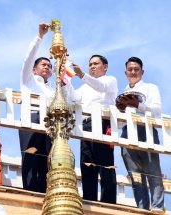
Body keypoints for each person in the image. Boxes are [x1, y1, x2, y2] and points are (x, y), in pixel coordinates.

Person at [116, 57, 164, 213]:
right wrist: (121, 109)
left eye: (136, 69)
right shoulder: (123, 92)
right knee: (135, 175)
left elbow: (156, 110)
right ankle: (142, 209)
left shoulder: (150, 88)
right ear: (125, 72)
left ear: (142, 72)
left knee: (153, 172)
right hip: (127, 133)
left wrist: (138, 105)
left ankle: (157, 208)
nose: (133, 72)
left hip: (146, 130)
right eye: (130, 69)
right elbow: (119, 122)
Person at [68, 55, 118, 203]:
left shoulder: (110, 80)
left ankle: (108, 205)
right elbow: (73, 96)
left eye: (96, 64)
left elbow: (100, 86)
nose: (92, 67)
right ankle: (89, 202)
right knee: (87, 166)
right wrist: (65, 79)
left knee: (105, 166)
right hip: (86, 126)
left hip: (103, 124)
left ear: (106, 66)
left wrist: (82, 75)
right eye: (90, 64)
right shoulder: (84, 86)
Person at [18, 22, 53, 193]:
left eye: (49, 66)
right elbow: (28, 57)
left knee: (47, 161)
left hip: (50, 125)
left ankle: (46, 194)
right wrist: (40, 37)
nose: (47, 67)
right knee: (31, 157)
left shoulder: (53, 90)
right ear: (34, 69)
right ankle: (30, 192)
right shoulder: (28, 80)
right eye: (43, 65)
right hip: (31, 118)